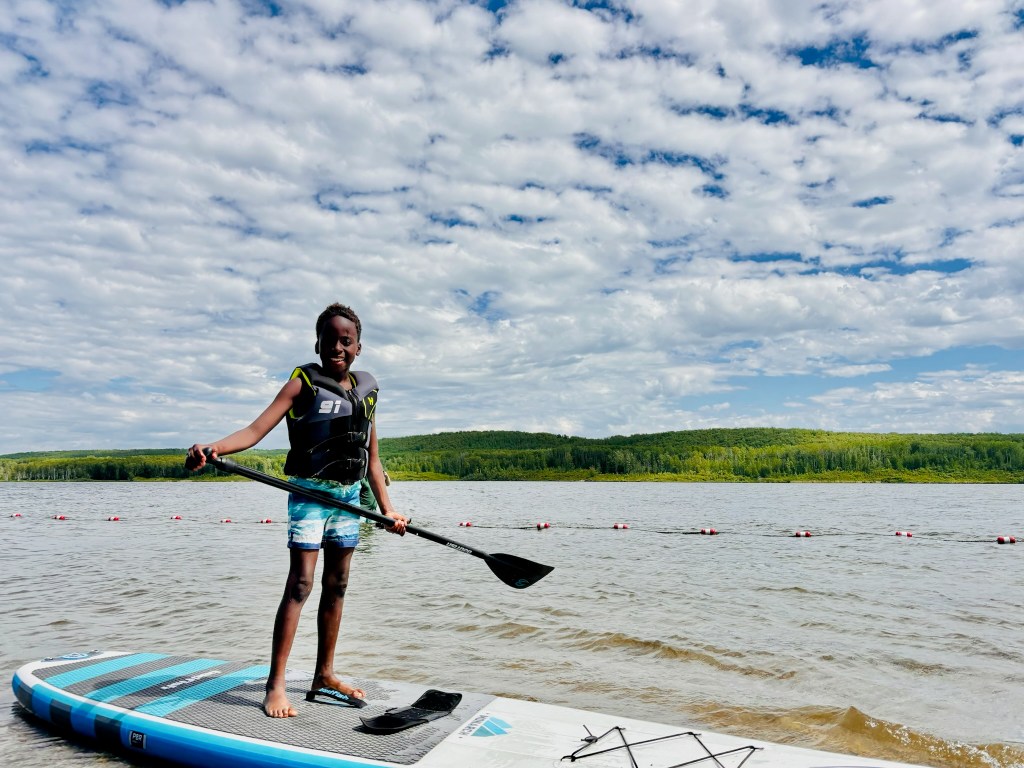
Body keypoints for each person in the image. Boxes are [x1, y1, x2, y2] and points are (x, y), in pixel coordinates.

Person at [186, 303, 407, 718]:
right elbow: (254, 431)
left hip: (348, 498)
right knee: (301, 585)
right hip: (309, 495)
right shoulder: (301, 383)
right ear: (318, 342)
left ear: (358, 347)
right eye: (330, 339)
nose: (338, 347)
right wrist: (212, 448)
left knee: (338, 584)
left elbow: (372, 460)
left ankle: (324, 675)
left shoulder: (369, 391)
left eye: (347, 340)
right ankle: (276, 685)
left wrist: (389, 510)